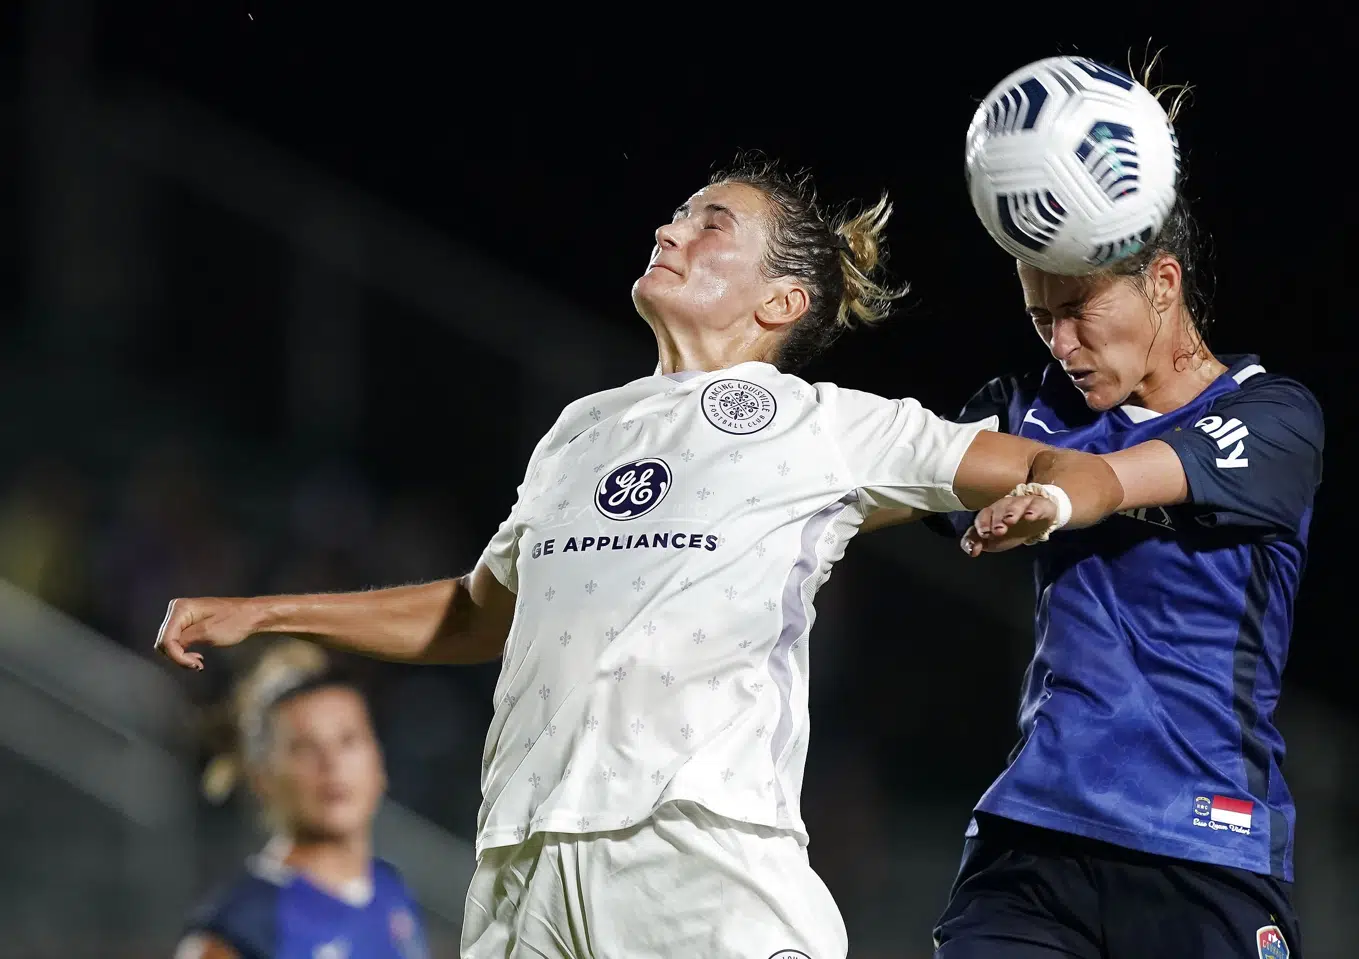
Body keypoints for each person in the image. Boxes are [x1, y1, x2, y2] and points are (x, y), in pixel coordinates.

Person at [157, 154, 1165, 958]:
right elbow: (477, 613)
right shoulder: (579, 430)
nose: (668, 229)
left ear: (780, 303)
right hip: (522, 865)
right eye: (676, 216)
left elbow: (1043, 457)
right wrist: (268, 609)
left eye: (709, 223)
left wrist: (1057, 492)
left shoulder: (826, 425)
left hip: (697, 857)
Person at [915, 143, 1322, 956]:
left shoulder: (1276, 419)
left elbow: (1101, 481)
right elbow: (885, 476)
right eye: (1040, 318)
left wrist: (1056, 498)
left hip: (1204, 847)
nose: (1060, 344)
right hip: (1029, 846)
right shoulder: (1025, 408)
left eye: (1078, 313)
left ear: (1162, 285)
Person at [176, 640, 429, 959]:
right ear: (262, 777)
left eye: (348, 741)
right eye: (305, 748)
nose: (332, 764)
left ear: (379, 762)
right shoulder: (241, 927)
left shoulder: (392, 891)